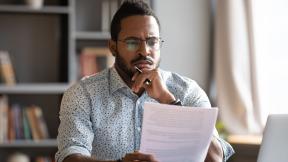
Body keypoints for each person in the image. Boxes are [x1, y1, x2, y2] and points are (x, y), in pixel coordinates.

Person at [55, 0, 234, 162]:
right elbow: (71, 158)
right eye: (133, 42)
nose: (145, 51)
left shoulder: (188, 91)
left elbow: (215, 158)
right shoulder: (83, 94)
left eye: (152, 41)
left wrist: (168, 100)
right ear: (113, 47)